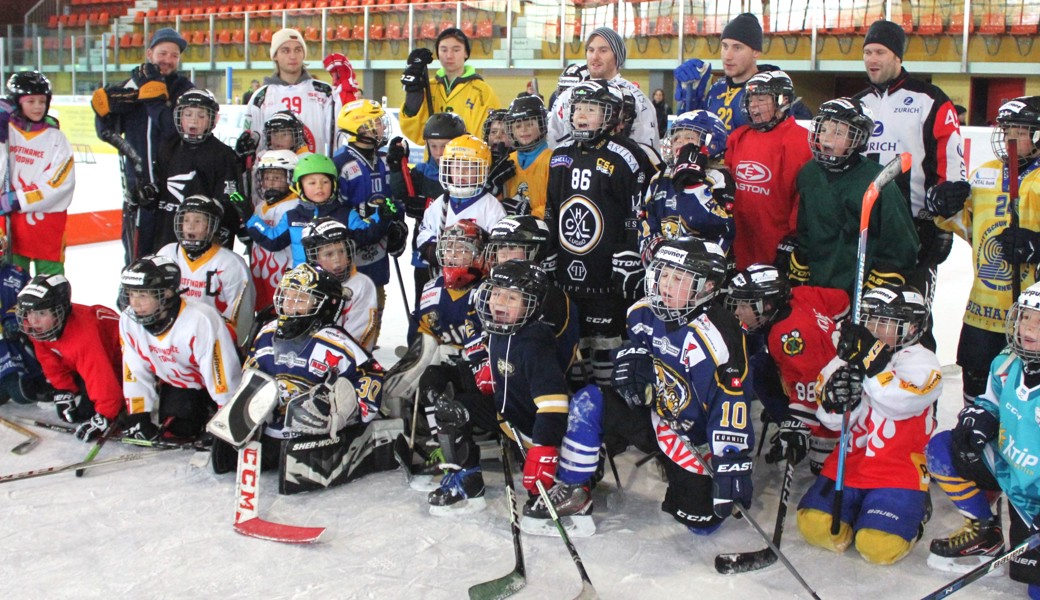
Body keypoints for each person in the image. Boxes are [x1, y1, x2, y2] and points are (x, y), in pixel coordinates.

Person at [544, 238, 753, 534]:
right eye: (664, 273)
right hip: (656, 418)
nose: (665, 284)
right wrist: (630, 361)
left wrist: (731, 461)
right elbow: (636, 353)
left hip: (693, 439)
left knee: (700, 523)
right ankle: (575, 487)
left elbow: (731, 405)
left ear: (707, 287)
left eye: (678, 278)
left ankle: (680, 472)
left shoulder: (718, 337)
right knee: (590, 401)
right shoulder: (642, 312)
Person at [798, 284, 939, 565]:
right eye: (871, 318)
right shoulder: (846, 357)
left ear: (911, 328)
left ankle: (914, 509)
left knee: (878, 547)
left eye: (886, 321)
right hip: (848, 465)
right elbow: (831, 422)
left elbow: (897, 403)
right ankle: (864, 507)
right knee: (814, 527)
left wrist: (871, 363)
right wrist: (838, 401)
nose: (874, 327)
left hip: (898, 470)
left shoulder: (923, 361)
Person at [224, 263, 396, 492]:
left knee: (311, 407)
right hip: (269, 432)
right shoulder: (266, 333)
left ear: (323, 305)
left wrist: (343, 411)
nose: (291, 304)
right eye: (288, 296)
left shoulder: (336, 342)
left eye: (301, 298)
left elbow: (371, 376)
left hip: (311, 440)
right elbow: (250, 376)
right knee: (226, 448)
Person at [853, 19, 968, 350]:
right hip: (866, 228)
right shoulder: (858, 103)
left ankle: (919, 398)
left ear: (897, 56)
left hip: (914, 230)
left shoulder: (928, 98)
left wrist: (940, 222)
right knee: (865, 317)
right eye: (867, 52)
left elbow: (949, 158)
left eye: (880, 52)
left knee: (912, 319)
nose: (872, 59)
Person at [926, 282, 1040, 592]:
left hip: (1036, 496)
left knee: (1035, 588)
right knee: (947, 449)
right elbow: (991, 401)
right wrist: (980, 417)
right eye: (1025, 317)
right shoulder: (1005, 363)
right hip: (1012, 470)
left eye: (1039, 321)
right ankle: (984, 532)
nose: (1028, 327)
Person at [928, 96, 1040, 405]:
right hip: (982, 311)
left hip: (1032, 317)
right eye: (1007, 129)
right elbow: (972, 231)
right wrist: (942, 207)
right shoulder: (985, 174)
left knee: (1024, 401)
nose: (1011, 138)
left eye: (1021, 129)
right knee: (976, 395)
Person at [383, 221, 493, 509]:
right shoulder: (432, 288)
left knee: (458, 392)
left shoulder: (491, 290)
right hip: (451, 367)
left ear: (480, 255)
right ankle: (445, 449)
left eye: (463, 248)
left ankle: (465, 454)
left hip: (483, 372)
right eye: (449, 249)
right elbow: (424, 336)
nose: (454, 255)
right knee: (430, 379)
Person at [544, 79, 644, 387]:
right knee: (573, 348)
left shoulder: (626, 155)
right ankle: (578, 411)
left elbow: (636, 213)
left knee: (606, 349)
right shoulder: (560, 154)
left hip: (606, 277)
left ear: (612, 115)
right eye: (578, 109)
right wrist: (549, 250)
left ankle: (611, 412)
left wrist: (629, 253)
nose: (581, 115)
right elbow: (552, 210)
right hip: (567, 274)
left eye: (592, 109)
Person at [724, 264, 848, 473]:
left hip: (833, 413)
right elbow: (843, 301)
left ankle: (809, 436)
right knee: (760, 361)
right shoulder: (800, 294)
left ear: (768, 306)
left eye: (745, 305)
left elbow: (811, 391)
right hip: (832, 377)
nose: (738, 311)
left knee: (758, 369)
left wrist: (797, 429)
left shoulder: (788, 339)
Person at [472, 260, 571, 519]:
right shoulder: (498, 329)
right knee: (456, 406)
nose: (499, 303)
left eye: (512, 297)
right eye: (495, 293)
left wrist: (544, 448)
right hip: (507, 418)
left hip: (532, 429)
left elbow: (554, 405)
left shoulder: (535, 345)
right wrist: (489, 371)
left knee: (539, 491)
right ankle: (466, 474)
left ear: (531, 305)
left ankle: (568, 482)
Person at [794, 97, 919, 296]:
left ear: (858, 139)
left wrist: (875, 288)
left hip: (858, 292)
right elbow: (805, 232)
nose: (826, 139)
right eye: (823, 129)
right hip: (816, 289)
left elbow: (901, 246)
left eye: (838, 132)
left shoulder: (878, 181)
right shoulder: (809, 173)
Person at [91, 27, 193, 265]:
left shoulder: (184, 89)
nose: (168, 60)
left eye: (174, 55)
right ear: (149, 53)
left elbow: (173, 130)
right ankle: (131, 298)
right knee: (136, 253)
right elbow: (107, 130)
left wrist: (155, 98)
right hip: (138, 188)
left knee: (172, 254)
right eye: (163, 53)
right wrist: (101, 114)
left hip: (174, 188)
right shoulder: (130, 84)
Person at [117, 255, 243, 441]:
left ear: (167, 293)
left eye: (143, 295)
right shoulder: (128, 319)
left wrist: (226, 416)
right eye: (131, 294)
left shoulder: (200, 319)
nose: (134, 303)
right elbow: (133, 368)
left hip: (215, 382)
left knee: (212, 432)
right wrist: (138, 414)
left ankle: (212, 409)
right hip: (181, 384)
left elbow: (222, 371)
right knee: (180, 430)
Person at [333, 99, 407, 347]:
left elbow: (396, 196)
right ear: (358, 128)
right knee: (348, 294)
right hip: (352, 244)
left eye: (379, 122)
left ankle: (369, 344)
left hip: (379, 244)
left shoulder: (385, 160)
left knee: (376, 293)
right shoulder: (341, 163)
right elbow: (336, 207)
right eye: (373, 123)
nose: (380, 127)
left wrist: (398, 223)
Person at [17, 274, 123, 441]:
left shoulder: (84, 335)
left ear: (61, 310)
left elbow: (101, 375)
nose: (33, 320)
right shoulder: (42, 326)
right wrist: (64, 389)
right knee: (78, 412)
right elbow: (49, 360)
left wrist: (105, 416)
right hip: (86, 363)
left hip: (123, 365)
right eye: (29, 312)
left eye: (41, 313)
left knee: (89, 412)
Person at [725, 70, 813, 270]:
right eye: (750, 99)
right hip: (738, 248)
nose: (753, 106)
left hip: (777, 252)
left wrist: (793, 241)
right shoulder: (738, 137)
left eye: (761, 99)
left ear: (782, 101)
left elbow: (803, 200)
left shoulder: (800, 141)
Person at [387, 112, 466, 331]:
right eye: (434, 146)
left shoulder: (468, 171)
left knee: (455, 303)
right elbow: (401, 193)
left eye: (445, 146)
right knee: (423, 302)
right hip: (425, 251)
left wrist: (426, 204)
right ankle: (417, 344)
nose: (440, 153)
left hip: (459, 252)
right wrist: (396, 167)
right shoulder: (422, 172)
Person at [0, 70, 75, 276]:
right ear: (17, 102)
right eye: (30, 101)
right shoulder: (7, 132)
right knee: (13, 284)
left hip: (47, 225)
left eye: (42, 101)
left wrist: (19, 199)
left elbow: (60, 184)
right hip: (12, 226)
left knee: (50, 284)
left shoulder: (56, 138)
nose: (37, 107)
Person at [156, 195, 255, 349]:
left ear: (212, 226)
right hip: (172, 342)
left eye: (198, 220)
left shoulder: (231, 264)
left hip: (212, 343)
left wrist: (222, 346)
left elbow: (241, 316)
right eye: (186, 220)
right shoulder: (167, 254)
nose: (190, 226)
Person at [152, 88, 243, 251]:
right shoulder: (167, 148)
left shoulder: (223, 154)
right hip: (168, 231)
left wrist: (224, 224)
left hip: (205, 235)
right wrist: (147, 194)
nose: (194, 121)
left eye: (201, 115)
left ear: (212, 120)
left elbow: (231, 195)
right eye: (188, 114)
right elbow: (157, 185)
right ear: (179, 117)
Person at [639, 111, 734, 260]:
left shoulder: (718, 177)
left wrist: (692, 183)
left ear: (712, 144)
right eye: (676, 138)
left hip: (702, 263)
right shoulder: (659, 179)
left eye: (689, 138)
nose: (680, 143)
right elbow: (646, 221)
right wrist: (655, 246)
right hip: (665, 266)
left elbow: (722, 226)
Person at [546, 27, 659, 153]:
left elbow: (647, 151)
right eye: (590, 50)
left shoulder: (637, 99)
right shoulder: (568, 95)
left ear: (617, 56)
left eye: (603, 50)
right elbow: (553, 142)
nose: (595, 57)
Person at [398, 27, 501, 151]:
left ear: (466, 53)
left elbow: (488, 136)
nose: (449, 55)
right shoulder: (428, 88)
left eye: (456, 50)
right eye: (444, 50)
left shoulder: (481, 91)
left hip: (467, 164)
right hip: (434, 164)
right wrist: (413, 93)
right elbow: (417, 133)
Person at [415, 134, 506, 268]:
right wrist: (435, 253)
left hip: (478, 278)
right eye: (456, 167)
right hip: (444, 274)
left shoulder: (491, 206)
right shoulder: (439, 204)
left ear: (483, 170)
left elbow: (499, 247)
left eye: (469, 167)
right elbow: (424, 234)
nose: (461, 172)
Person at [246, 153, 350, 268]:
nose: (319, 187)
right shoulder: (293, 216)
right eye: (312, 183)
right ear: (299, 186)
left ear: (334, 184)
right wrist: (248, 217)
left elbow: (367, 234)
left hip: (338, 278)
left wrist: (374, 213)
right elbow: (273, 241)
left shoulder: (345, 214)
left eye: (325, 182)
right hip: (302, 280)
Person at [244, 28, 335, 155]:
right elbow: (254, 145)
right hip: (274, 172)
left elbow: (336, 138)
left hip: (313, 172)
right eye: (285, 50)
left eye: (298, 50)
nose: (293, 56)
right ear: (275, 55)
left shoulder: (324, 92)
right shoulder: (260, 97)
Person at [300, 218, 379, 352]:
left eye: (341, 251)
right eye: (328, 254)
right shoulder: (303, 282)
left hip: (346, 358)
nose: (337, 260)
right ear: (314, 258)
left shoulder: (360, 284)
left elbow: (360, 334)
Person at [247, 149, 300, 313]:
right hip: (262, 272)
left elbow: (274, 241)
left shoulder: (295, 206)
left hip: (283, 273)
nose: (270, 183)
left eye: (276, 178)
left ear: (291, 178)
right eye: (266, 177)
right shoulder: (260, 206)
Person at [0, 232, 50, 405]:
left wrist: (13, 317)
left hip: (16, 339)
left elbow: (30, 302)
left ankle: (40, 376)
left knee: (22, 395)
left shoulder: (17, 273)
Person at [498, 95, 551, 218]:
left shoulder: (552, 159)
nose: (524, 130)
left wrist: (531, 214)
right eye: (518, 126)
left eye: (530, 124)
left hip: (543, 229)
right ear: (512, 131)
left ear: (542, 126)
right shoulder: (509, 160)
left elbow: (556, 203)